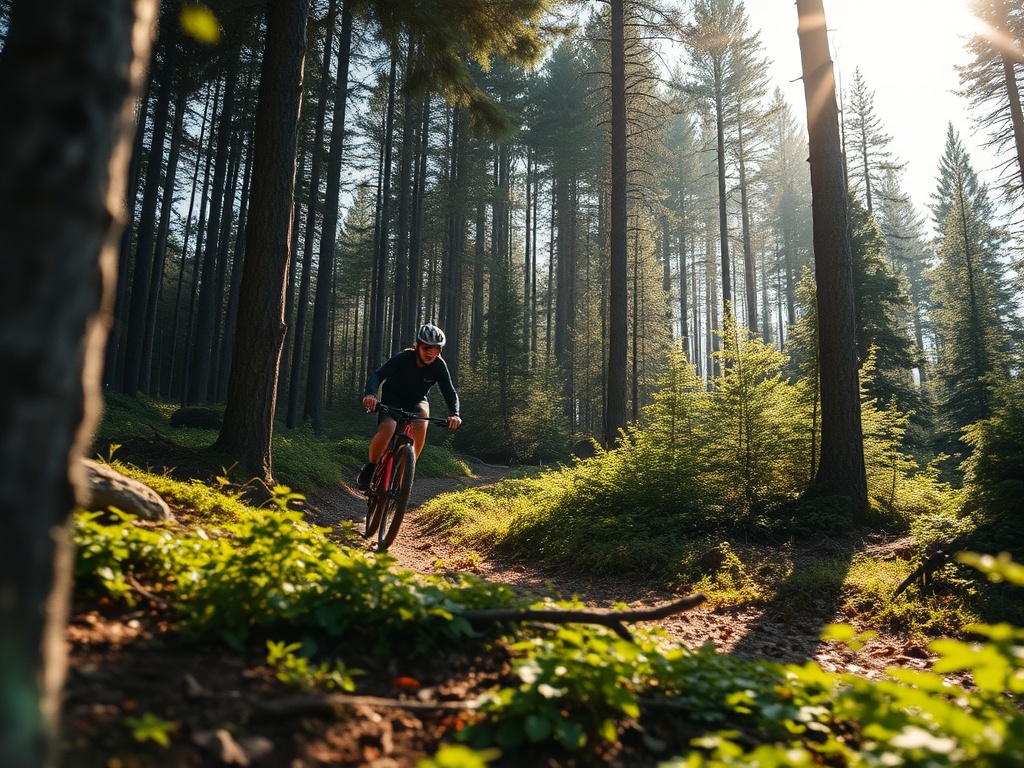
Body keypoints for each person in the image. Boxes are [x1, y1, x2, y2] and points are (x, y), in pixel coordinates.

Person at [356, 323, 462, 490]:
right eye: (427, 347)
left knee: (421, 423)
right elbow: (378, 374)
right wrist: (370, 395)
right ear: (418, 345)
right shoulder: (404, 357)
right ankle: (370, 466)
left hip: (416, 400)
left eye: (437, 349)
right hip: (393, 397)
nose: (431, 352)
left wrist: (455, 414)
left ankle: (405, 475)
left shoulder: (439, 366)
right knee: (389, 428)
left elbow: (449, 392)